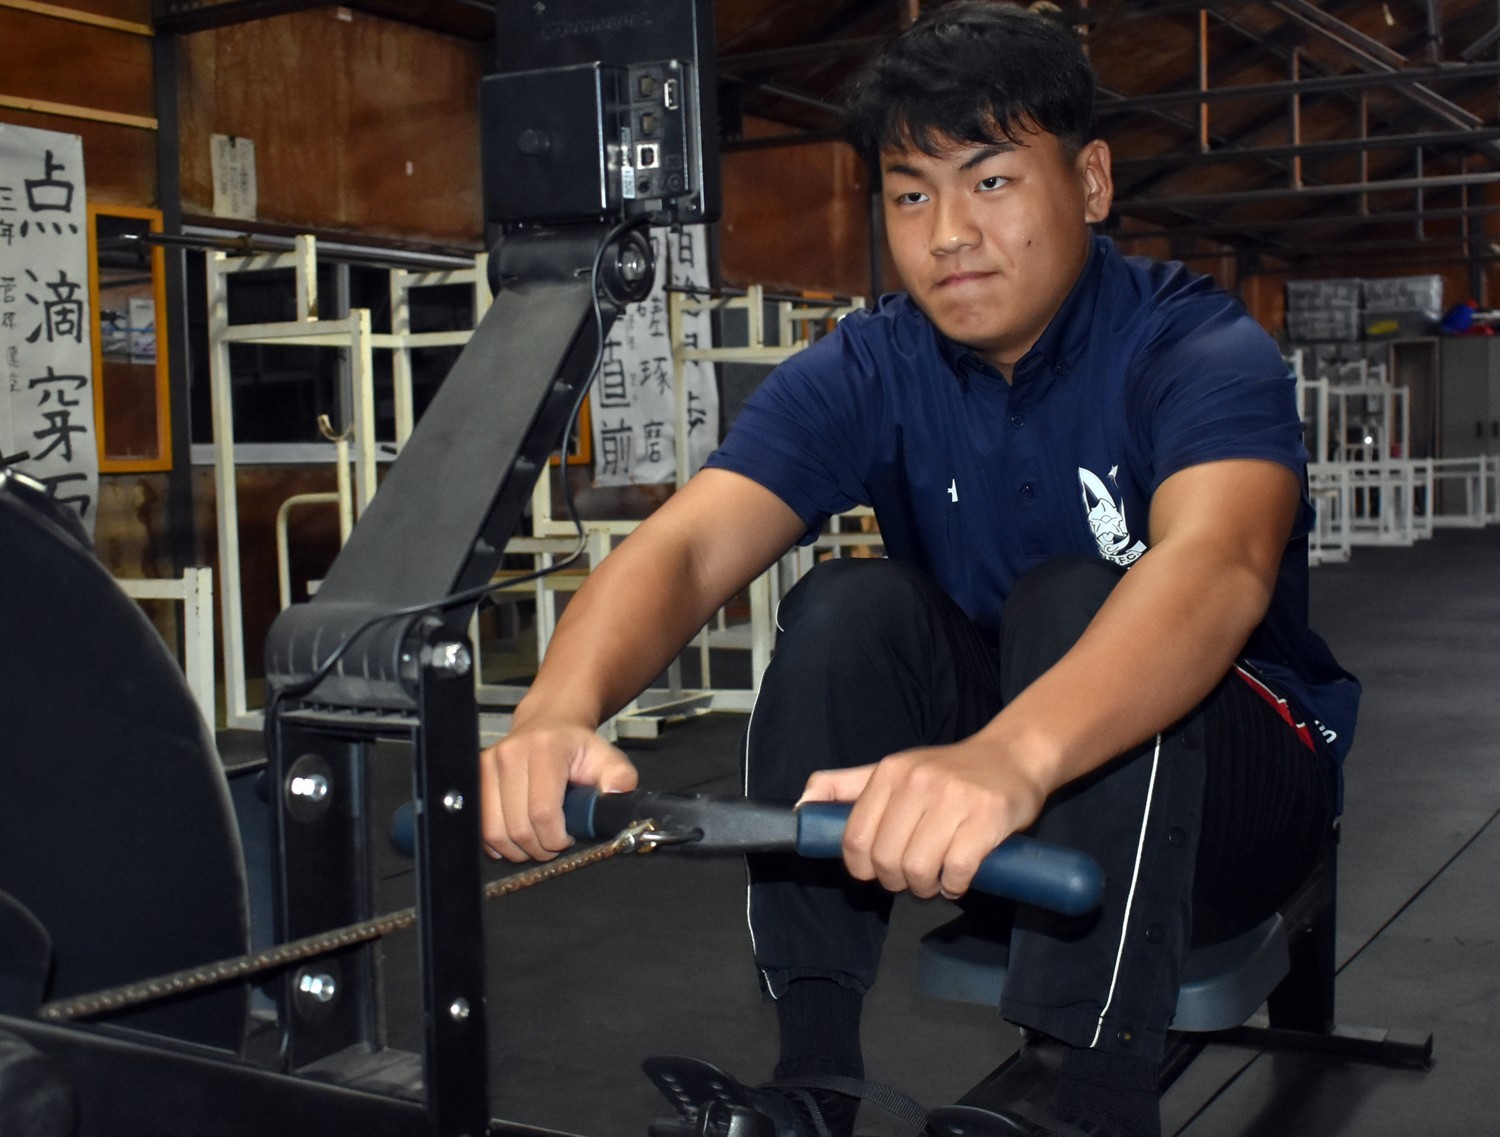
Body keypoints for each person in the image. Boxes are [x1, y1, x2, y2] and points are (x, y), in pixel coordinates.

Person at [480, 4, 1359, 1135]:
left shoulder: (1195, 344)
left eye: (990, 181)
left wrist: (1010, 756)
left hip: (1238, 800)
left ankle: (1092, 1102)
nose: (947, 233)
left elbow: (1218, 565)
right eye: (910, 195)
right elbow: (690, 545)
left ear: (1091, 182)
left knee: (1078, 599)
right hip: (1005, 809)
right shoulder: (873, 363)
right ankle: (814, 1079)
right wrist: (555, 714)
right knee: (848, 605)